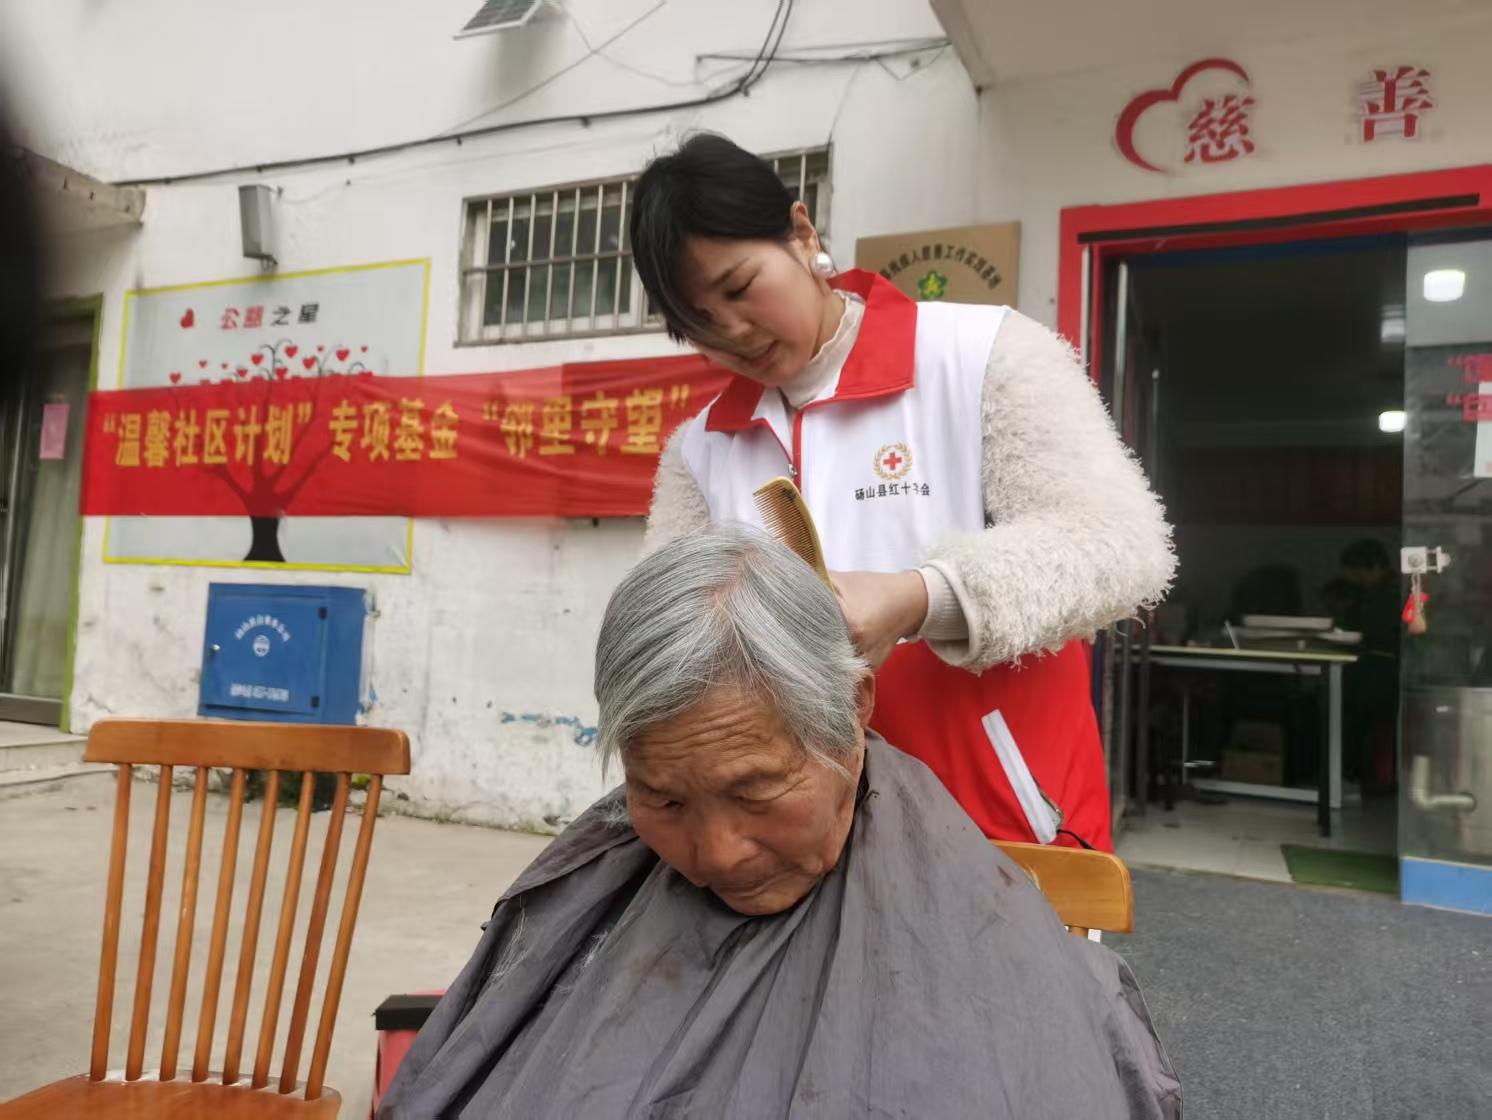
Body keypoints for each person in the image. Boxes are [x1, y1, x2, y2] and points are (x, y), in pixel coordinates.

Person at [380, 527, 1181, 1119]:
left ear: (853, 708)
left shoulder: (977, 945)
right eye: (663, 800)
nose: (717, 855)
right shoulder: (601, 878)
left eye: (758, 791)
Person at [634, 134, 1174, 851]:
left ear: (801, 234)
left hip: (1001, 828)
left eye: (738, 288)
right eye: (698, 323)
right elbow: (665, 640)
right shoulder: (701, 449)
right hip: (800, 843)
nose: (731, 331)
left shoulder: (982, 355)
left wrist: (921, 597)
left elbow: (1120, 544)